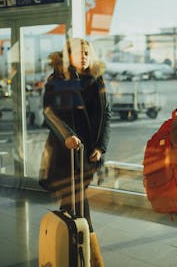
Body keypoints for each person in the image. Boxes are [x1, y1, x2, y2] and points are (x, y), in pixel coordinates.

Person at [40, 38, 111, 267]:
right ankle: (92, 261)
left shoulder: (96, 80)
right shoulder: (57, 81)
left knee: (72, 204)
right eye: (80, 53)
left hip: (89, 155)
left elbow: (105, 115)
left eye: (87, 52)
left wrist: (101, 147)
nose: (84, 56)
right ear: (68, 55)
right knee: (79, 204)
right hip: (65, 154)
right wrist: (67, 135)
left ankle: (65, 249)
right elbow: (50, 113)